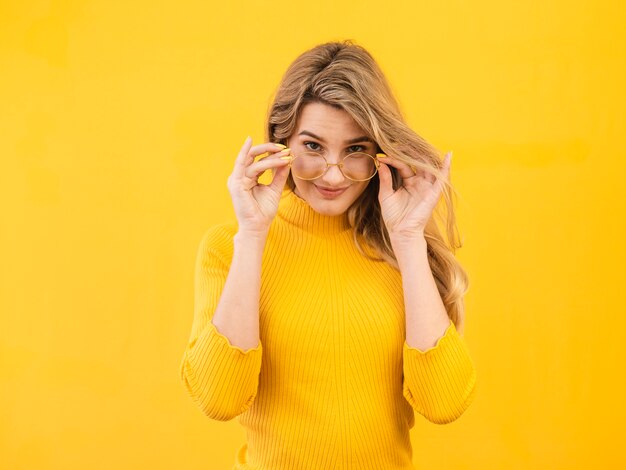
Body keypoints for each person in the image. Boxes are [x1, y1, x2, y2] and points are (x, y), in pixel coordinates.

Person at [179, 40, 477, 470]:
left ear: (380, 152)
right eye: (314, 147)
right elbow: (217, 399)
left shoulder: (401, 250)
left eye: (355, 149)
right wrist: (253, 235)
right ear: (282, 141)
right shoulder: (229, 247)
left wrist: (409, 239)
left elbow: (444, 403)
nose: (334, 174)